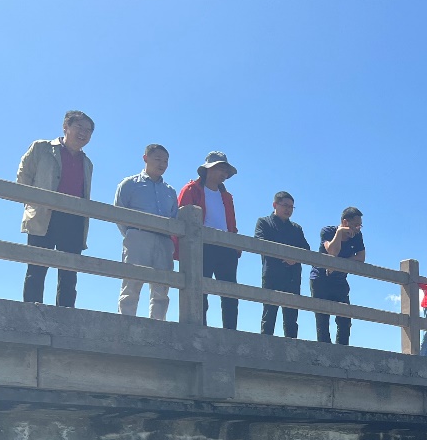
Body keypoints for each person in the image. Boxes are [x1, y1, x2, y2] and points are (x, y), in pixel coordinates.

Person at [17, 110, 95, 307]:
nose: (83, 133)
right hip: (44, 215)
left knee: (69, 273)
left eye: (88, 130)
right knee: (37, 268)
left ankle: (66, 314)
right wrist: (33, 204)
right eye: (79, 127)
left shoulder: (87, 162)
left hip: (74, 219)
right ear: (65, 127)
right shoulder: (42, 148)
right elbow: (24, 176)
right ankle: (31, 312)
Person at [177, 151, 241, 329]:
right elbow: (181, 218)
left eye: (226, 170)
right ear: (208, 169)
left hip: (226, 247)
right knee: (200, 290)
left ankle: (231, 332)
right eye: (220, 168)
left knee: (230, 293)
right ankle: (200, 329)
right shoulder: (191, 189)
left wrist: (235, 246)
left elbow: (231, 223)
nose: (224, 174)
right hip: (201, 245)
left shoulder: (227, 196)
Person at [113, 144, 178, 320]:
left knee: (162, 288)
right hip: (138, 237)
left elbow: (174, 217)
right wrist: (132, 233)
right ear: (145, 158)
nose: (162, 164)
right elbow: (118, 212)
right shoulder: (129, 184)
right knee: (131, 283)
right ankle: (126, 322)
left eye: (165, 161)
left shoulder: (170, 191)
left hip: (164, 240)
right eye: (158, 159)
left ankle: (158, 324)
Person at [255, 192, 311, 337]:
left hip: (292, 277)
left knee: (291, 319)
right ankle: (265, 346)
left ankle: (291, 348)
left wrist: (295, 258)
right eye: (285, 205)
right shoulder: (264, 222)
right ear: (275, 205)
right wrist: (283, 256)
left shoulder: (296, 228)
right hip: (272, 275)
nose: (288, 209)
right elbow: (260, 243)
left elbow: (306, 250)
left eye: (292, 207)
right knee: (269, 316)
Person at [310, 207, 364, 345]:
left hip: (340, 280)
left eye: (360, 225)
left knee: (345, 318)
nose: (358, 228)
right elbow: (332, 252)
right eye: (356, 225)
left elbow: (361, 257)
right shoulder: (328, 231)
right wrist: (339, 232)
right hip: (320, 279)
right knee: (322, 318)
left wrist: (339, 264)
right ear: (345, 222)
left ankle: (342, 350)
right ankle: (324, 349)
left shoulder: (357, 236)